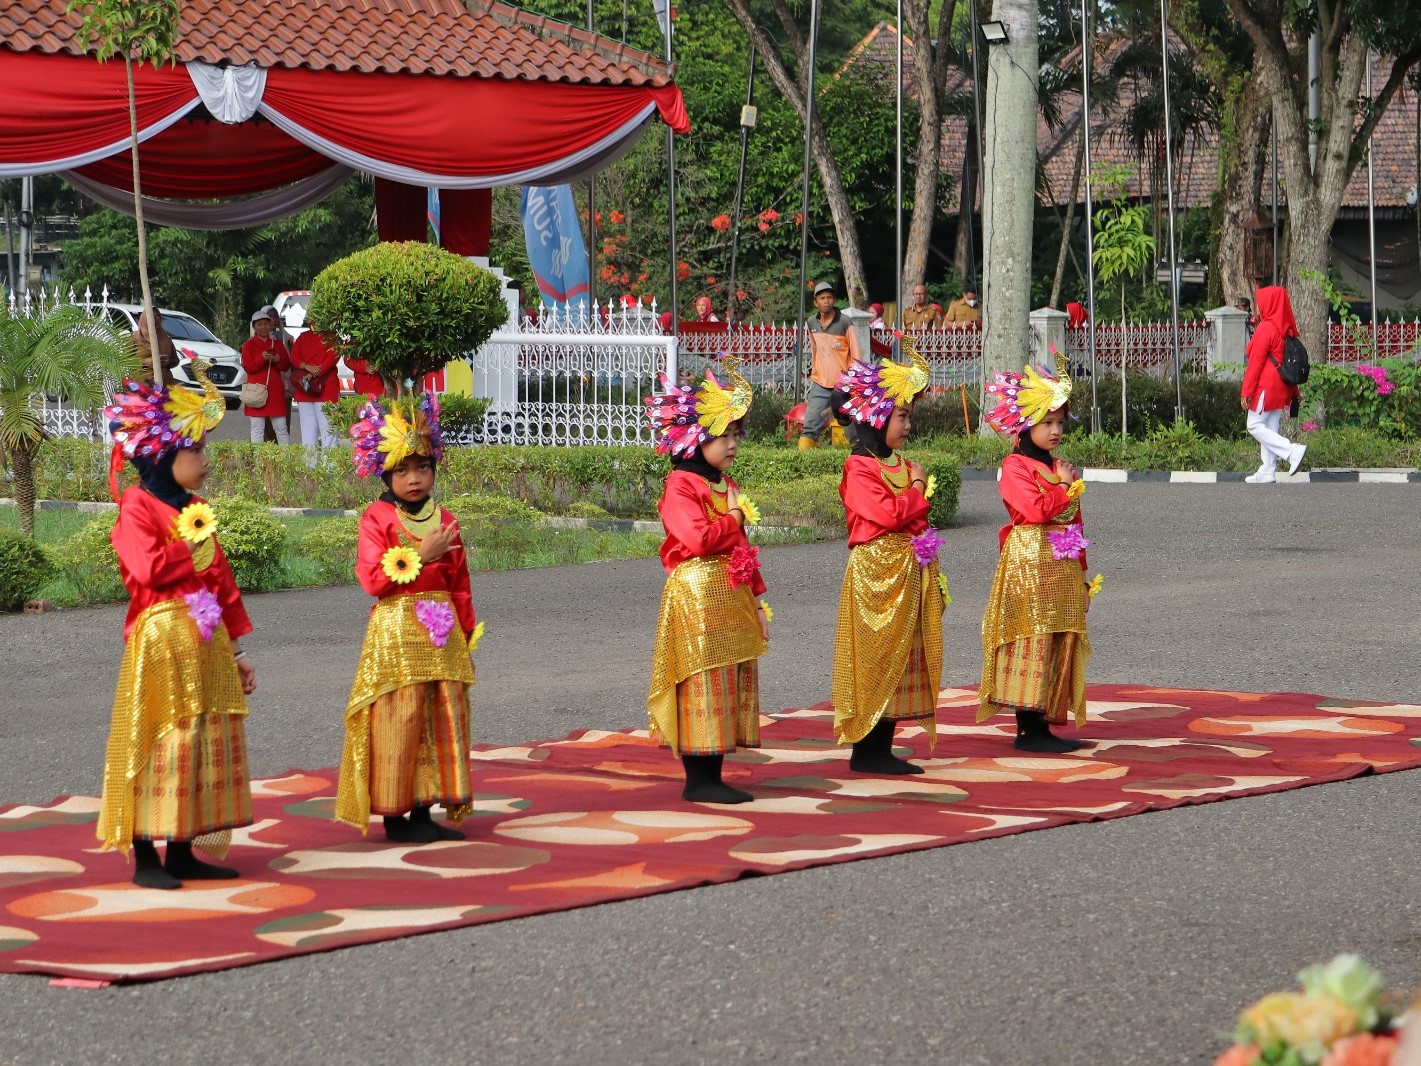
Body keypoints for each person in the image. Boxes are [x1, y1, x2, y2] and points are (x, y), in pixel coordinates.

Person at [98, 366, 256, 888]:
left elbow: (222, 581)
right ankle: (145, 855)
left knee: (198, 739)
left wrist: (234, 651)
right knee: (159, 740)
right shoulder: (136, 507)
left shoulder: (198, 508)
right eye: (197, 452)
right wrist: (189, 549)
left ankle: (183, 846)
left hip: (205, 639)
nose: (207, 462)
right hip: (161, 638)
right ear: (164, 456)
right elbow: (144, 569)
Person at [335, 393, 479, 843]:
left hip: (442, 634)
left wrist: (467, 633)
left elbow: (460, 582)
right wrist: (422, 553)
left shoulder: (447, 518)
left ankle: (425, 808)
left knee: (439, 715)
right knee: (401, 717)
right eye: (402, 471)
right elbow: (374, 580)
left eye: (422, 467)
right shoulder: (376, 518)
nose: (414, 479)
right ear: (385, 474)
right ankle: (396, 815)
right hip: (397, 632)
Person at [645, 359, 768, 803]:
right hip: (696, 593)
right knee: (702, 679)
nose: (734, 443)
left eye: (737, 434)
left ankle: (713, 774)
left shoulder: (724, 483)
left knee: (725, 678)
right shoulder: (681, 484)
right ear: (698, 438)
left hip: (729, 593)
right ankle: (699, 779)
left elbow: (742, 548)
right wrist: (734, 517)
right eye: (725, 434)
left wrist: (756, 600)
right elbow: (697, 540)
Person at [832, 340, 945, 774]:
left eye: (909, 416)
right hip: (875, 575)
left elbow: (915, 524)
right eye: (902, 415)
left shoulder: (899, 462)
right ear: (877, 417)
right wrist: (917, 490)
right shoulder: (860, 467)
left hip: (907, 572)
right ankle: (866, 750)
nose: (908, 425)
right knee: (877, 655)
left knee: (903, 656)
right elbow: (890, 514)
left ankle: (882, 749)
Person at [977, 361, 1094, 753]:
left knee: (1057, 639)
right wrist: (1063, 485)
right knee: (1032, 640)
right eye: (1047, 422)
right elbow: (1036, 510)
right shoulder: (1015, 466)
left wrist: (1081, 573)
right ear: (1026, 423)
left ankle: (1043, 723)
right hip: (1028, 564)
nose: (1056, 430)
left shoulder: (1058, 467)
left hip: (1059, 565)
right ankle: (1027, 729)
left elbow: (1072, 522)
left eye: (1060, 422)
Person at [1240, 285, 1306, 484]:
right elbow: (1287, 363)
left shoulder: (1266, 327)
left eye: (1261, 303)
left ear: (1270, 304)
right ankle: (1268, 470)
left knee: (1253, 425)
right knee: (1269, 426)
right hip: (1281, 388)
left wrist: (1246, 391)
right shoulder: (1285, 328)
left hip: (1265, 387)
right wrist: (1294, 391)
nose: (1258, 306)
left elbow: (1256, 363)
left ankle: (1292, 451)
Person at [799, 280, 863, 450]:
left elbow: (856, 352)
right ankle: (802, 459)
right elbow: (815, 351)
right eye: (822, 298)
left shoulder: (844, 321)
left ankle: (861, 457)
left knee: (852, 426)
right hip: (820, 382)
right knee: (810, 424)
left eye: (829, 297)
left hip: (843, 383)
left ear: (834, 300)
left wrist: (854, 378)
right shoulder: (811, 323)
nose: (826, 301)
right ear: (815, 302)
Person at [241, 308, 291, 444]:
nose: (263, 327)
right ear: (254, 326)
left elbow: (286, 366)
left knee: (281, 428)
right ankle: (259, 463)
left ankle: (286, 461)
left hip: (275, 391)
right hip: (256, 391)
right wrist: (262, 358)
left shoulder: (278, 344)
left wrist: (278, 360)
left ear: (271, 325)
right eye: (259, 324)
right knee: (257, 429)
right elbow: (249, 367)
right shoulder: (248, 345)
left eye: (266, 324)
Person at [289, 328, 341, 451]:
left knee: (308, 433)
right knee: (329, 433)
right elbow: (331, 360)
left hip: (306, 388)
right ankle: (328, 467)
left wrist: (307, 367)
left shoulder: (303, 337)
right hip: (324, 389)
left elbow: (294, 358)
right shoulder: (333, 338)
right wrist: (313, 370)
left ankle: (310, 467)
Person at [130, 307, 179, 385]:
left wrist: (167, 362)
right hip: (142, 385)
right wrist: (145, 362)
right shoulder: (135, 338)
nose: (155, 320)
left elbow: (176, 360)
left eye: (158, 317)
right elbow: (125, 361)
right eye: (151, 317)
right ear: (144, 319)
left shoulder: (166, 339)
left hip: (164, 384)